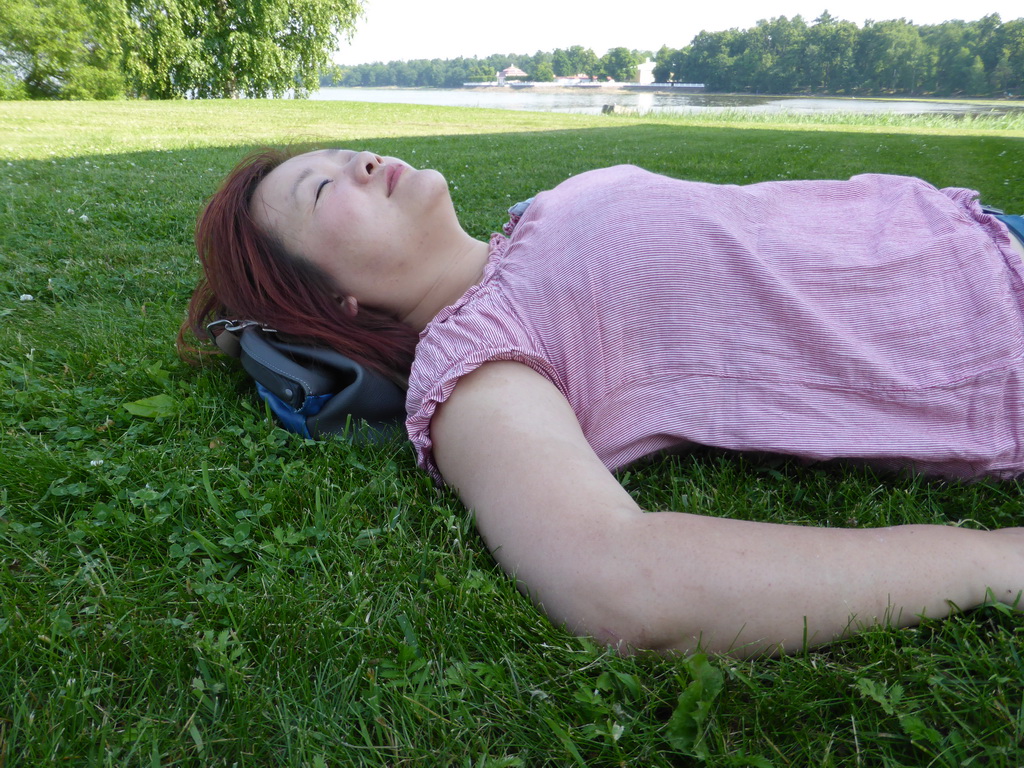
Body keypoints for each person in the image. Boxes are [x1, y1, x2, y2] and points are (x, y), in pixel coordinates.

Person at [181, 147, 1024, 657]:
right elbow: (620, 582)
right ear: (336, 307)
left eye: (340, 153)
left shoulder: (529, 229)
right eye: (323, 191)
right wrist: (992, 563)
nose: (359, 162)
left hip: (985, 230)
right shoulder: (476, 358)